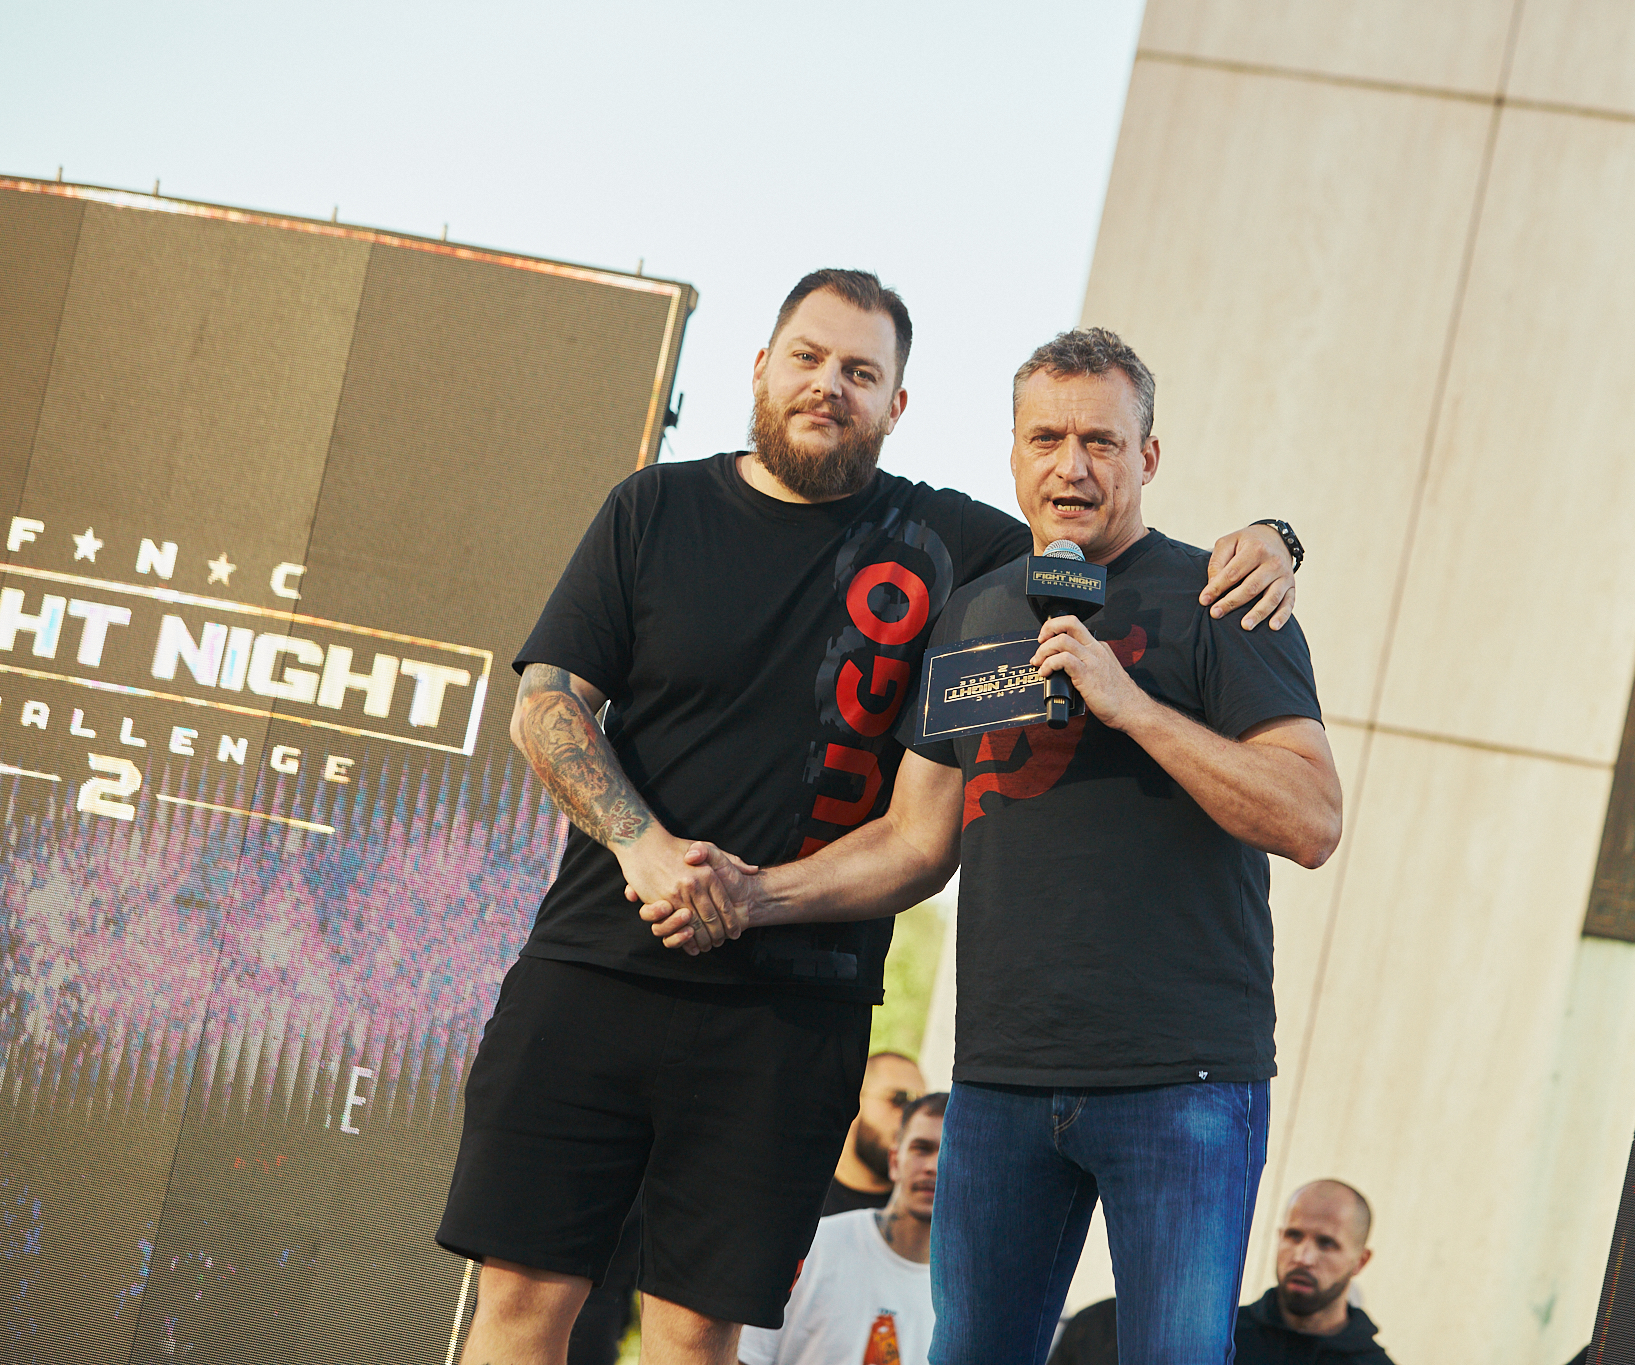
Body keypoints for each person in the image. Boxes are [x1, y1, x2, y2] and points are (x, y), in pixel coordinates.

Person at [436, 268, 1302, 1365]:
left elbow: (1104, 530)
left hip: (797, 1011)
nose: (827, 386)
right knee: (520, 1307)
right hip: (598, 965)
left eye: (860, 371)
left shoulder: (966, 552)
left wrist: (1275, 535)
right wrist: (645, 850)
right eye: (807, 358)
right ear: (762, 367)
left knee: (694, 1335)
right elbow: (548, 705)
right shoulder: (657, 508)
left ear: (897, 403)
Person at [647, 326, 1342, 1365]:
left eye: (1102, 442)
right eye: (1046, 439)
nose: (1072, 467)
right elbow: (914, 842)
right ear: (1012, 453)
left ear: (1148, 457)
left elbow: (1311, 817)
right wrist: (756, 895)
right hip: (1000, 1080)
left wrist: (1131, 707)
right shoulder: (973, 613)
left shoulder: (1223, 598)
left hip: (1185, 1081)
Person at [740, 1092, 946, 1365]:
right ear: (895, 1160)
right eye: (921, 1148)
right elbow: (746, 1356)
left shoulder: (970, 1293)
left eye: (950, 1153)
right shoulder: (812, 1247)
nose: (933, 1166)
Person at [1231, 1180, 1394, 1364]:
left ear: (1360, 1261)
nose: (1303, 1258)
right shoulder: (1222, 1339)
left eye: (1326, 1243)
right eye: (1294, 1236)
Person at [825, 1051, 926, 1215]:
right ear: (851, 1102)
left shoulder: (927, 1214)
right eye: (899, 1099)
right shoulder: (799, 1192)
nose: (911, 1117)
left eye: (919, 1106)